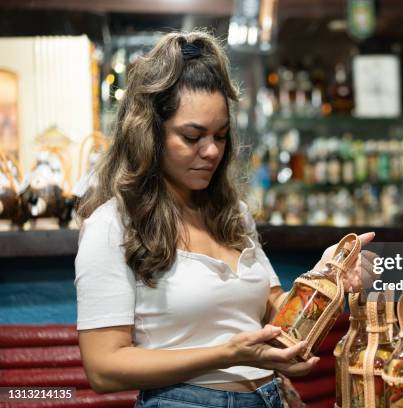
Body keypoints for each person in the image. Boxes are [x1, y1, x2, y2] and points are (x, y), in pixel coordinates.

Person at [74, 30, 376, 408]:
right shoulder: (113, 225)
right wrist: (229, 353)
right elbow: (104, 368)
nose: (212, 151)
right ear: (149, 133)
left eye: (220, 135)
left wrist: (325, 279)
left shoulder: (231, 216)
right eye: (192, 136)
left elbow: (275, 314)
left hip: (270, 398)